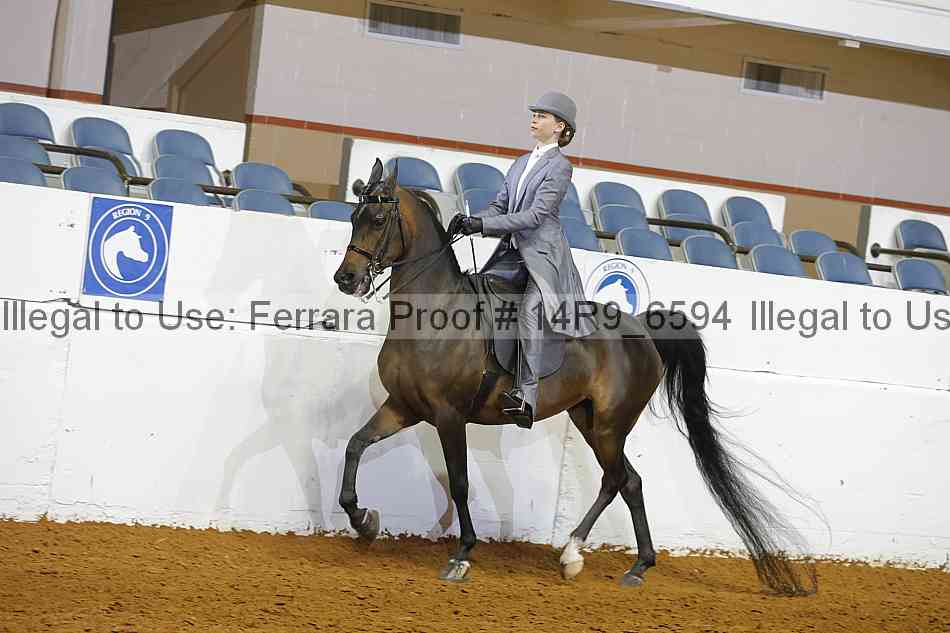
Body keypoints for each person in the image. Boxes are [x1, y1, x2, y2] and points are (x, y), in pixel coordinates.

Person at [448, 91, 596, 429]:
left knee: (529, 311)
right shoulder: (520, 162)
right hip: (512, 254)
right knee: (477, 293)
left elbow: (535, 216)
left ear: (560, 127)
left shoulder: (560, 167)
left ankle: (526, 395)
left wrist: (483, 226)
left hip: (543, 258)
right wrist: (472, 220)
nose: (535, 119)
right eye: (535, 114)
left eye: (542, 115)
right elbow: (500, 206)